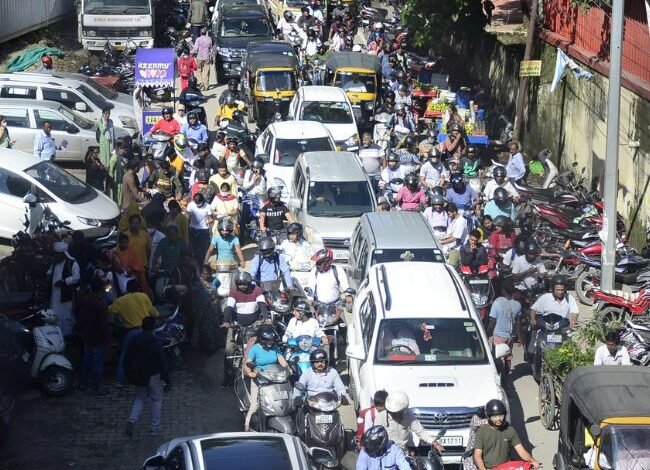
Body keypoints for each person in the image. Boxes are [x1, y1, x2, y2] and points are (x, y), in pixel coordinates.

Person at [221, 271, 269, 387]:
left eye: (244, 284)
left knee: (259, 348)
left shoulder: (257, 290)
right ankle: (228, 378)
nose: (242, 286)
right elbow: (229, 307)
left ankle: (261, 374)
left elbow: (262, 305)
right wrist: (226, 321)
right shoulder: (234, 292)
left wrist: (267, 318)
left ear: (249, 283)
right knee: (229, 351)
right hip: (236, 325)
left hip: (253, 325)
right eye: (239, 284)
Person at [124, 316, 170, 437]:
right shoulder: (155, 342)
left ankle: (132, 420)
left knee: (140, 398)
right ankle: (154, 428)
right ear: (154, 328)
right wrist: (167, 379)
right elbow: (162, 362)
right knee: (156, 400)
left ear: (142, 326)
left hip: (139, 375)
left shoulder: (134, 340)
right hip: (153, 375)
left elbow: (127, 358)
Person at [110, 279, 160, 387]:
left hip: (131, 332)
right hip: (146, 330)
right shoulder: (143, 296)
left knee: (125, 355)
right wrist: (159, 316)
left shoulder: (120, 301)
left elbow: (110, 310)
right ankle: (154, 376)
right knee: (153, 353)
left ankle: (119, 380)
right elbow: (153, 312)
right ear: (138, 288)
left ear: (127, 289)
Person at [243, 324, 289, 431]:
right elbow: (248, 363)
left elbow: (281, 359)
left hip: (274, 378)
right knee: (255, 404)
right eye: (269, 341)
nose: (271, 343)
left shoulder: (274, 347)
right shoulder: (255, 349)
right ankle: (247, 426)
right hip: (260, 379)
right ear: (262, 340)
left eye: (272, 341)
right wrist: (250, 373)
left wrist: (288, 368)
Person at [473, 399, 540, 470]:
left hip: (507, 466)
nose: (498, 419)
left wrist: (532, 461)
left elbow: (521, 450)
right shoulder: (481, 432)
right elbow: (477, 456)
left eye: (501, 415)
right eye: (495, 416)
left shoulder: (509, 429)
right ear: (489, 417)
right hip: (489, 468)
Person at [75, 275, 110, 395]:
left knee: (86, 360)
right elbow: (104, 325)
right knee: (97, 364)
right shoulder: (100, 304)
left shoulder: (85, 300)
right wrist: (107, 340)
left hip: (86, 335)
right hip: (97, 337)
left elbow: (78, 314)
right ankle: (96, 387)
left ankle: (83, 383)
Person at [378, 391, 444, 452]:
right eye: (395, 413)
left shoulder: (408, 415)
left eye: (400, 412)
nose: (397, 415)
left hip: (402, 452)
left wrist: (435, 443)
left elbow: (420, 431)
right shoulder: (380, 418)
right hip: (386, 452)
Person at [487, 278, 522, 372]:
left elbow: (492, 321)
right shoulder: (518, 305)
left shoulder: (497, 303)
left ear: (503, 290)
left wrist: (487, 334)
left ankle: (500, 377)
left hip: (498, 336)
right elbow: (518, 323)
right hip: (510, 337)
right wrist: (519, 338)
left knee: (498, 358)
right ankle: (507, 376)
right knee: (508, 357)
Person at [47, 241, 80, 337]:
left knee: (66, 316)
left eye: (57, 254)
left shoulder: (72, 263)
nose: (55, 256)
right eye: (55, 253)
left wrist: (64, 281)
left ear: (63, 254)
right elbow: (49, 272)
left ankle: (67, 336)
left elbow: (76, 277)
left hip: (66, 294)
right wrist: (48, 275)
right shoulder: (54, 263)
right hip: (54, 294)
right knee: (54, 313)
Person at [111, 232, 150, 298]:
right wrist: (122, 270)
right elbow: (114, 267)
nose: (124, 244)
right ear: (119, 242)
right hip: (121, 275)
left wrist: (132, 270)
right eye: (122, 242)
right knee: (124, 291)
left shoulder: (132, 251)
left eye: (125, 242)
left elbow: (138, 265)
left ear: (128, 242)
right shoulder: (115, 252)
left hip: (133, 274)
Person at [187, 192, 213, 265]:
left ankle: (203, 263)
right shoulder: (190, 205)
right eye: (196, 203)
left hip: (204, 230)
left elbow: (211, 218)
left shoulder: (208, 206)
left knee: (204, 249)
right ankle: (195, 264)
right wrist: (187, 226)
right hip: (193, 229)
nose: (198, 205)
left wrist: (209, 222)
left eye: (199, 203)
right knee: (194, 248)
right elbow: (188, 217)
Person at [96, 107, 116, 185]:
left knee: (110, 164)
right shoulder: (100, 121)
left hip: (110, 144)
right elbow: (103, 130)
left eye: (108, 114)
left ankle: (108, 181)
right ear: (103, 114)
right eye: (106, 114)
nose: (107, 115)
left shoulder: (110, 121)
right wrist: (105, 122)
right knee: (104, 163)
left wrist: (114, 144)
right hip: (104, 145)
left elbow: (113, 133)